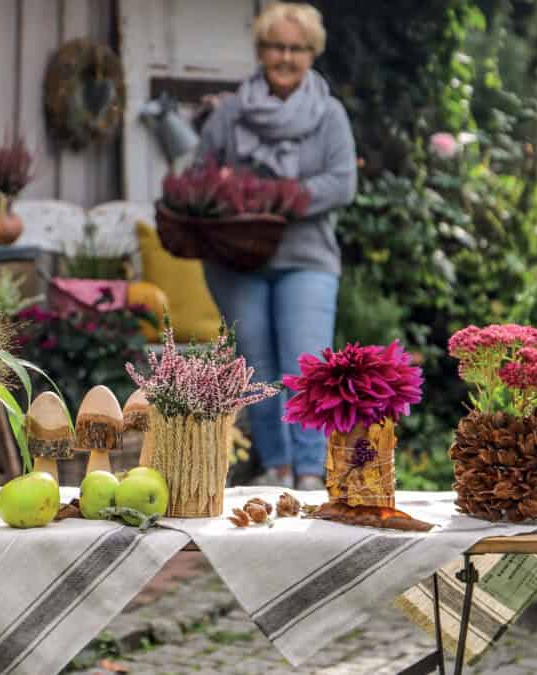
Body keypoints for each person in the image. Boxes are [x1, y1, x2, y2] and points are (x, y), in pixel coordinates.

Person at [196, 1, 357, 489]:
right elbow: (198, 176)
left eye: (296, 48)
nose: (285, 57)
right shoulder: (230, 114)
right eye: (275, 46)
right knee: (257, 366)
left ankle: (311, 472)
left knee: (305, 365)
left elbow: (343, 183)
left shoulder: (329, 115)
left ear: (312, 53)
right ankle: (275, 469)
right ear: (261, 50)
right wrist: (224, 193)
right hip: (238, 261)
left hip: (306, 258)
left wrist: (280, 199)